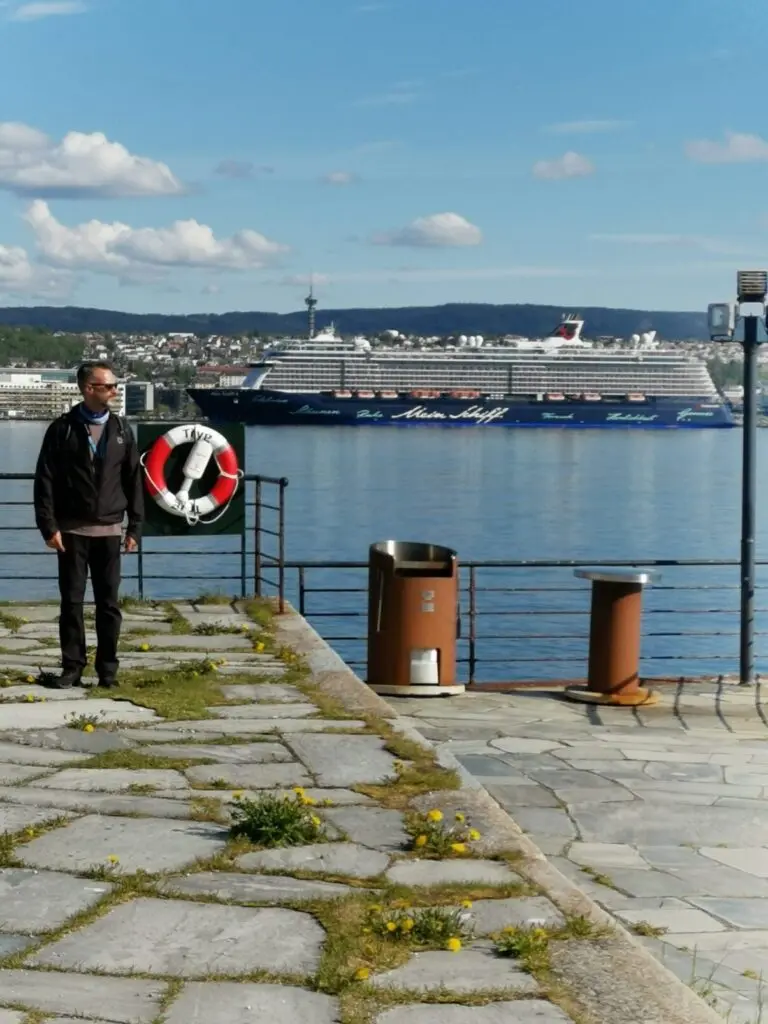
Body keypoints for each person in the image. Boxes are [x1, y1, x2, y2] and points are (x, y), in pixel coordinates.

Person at [33, 362, 144, 689]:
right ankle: (73, 667)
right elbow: (45, 480)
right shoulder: (62, 429)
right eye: (108, 386)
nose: (114, 391)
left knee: (109, 605)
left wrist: (135, 527)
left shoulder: (122, 430)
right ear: (88, 388)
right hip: (71, 533)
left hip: (109, 531)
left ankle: (108, 671)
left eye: (115, 385)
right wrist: (48, 526)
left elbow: (134, 480)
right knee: (72, 603)